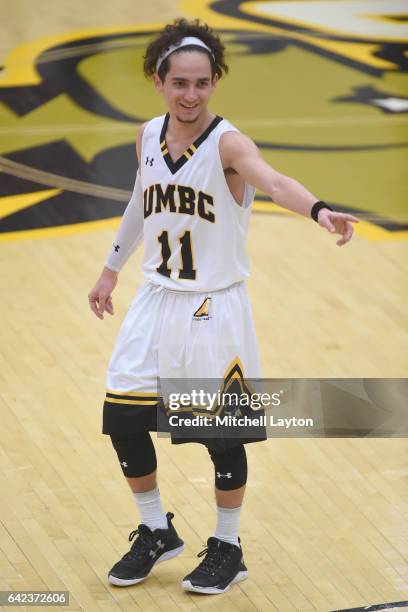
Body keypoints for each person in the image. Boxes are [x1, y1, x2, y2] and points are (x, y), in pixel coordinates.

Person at [88, 18, 358, 596]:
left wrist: (319, 210)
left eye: (203, 83)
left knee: (218, 430)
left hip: (212, 306)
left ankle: (229, 546)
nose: (191, 95)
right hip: (155, 298)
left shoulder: (228, 144)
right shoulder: (147, 136)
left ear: (215, 83)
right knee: (125, 418)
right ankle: (155, 529)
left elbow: (276, 182)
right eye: (180, 83)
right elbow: (141, 203)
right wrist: (111, 269)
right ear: (158, 80)